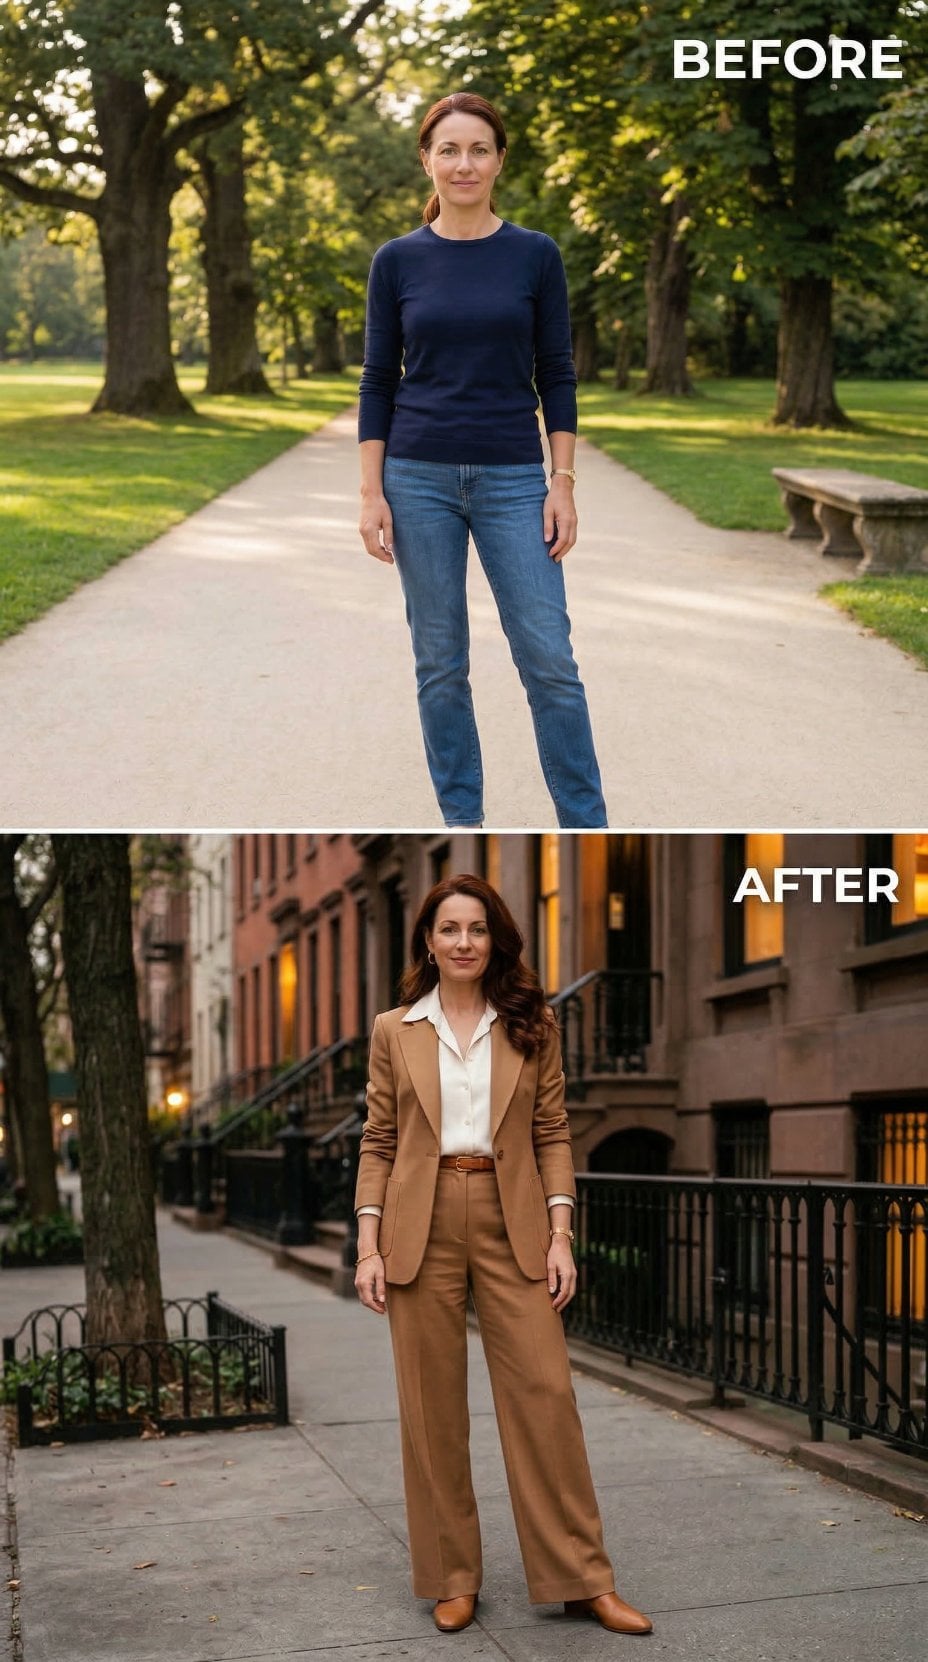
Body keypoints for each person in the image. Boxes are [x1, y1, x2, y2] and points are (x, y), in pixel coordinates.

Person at [353, 874, 652, 1636]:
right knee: (432, 1411)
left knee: (548, 1400)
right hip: (417, 1223)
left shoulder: (529, 1023)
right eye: (449, 928)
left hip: (510, 1214)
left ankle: (583, 1578)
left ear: (495, 941)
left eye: (477, 929)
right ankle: (453, 1575)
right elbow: (379, 1141)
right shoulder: (396, 1029)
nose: (463, 942)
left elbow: (552, 1132)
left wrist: (561, 1235)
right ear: (428, 940)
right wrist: (367, 1247)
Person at [357, 92, 607, 831]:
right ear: (427, 161)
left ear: (499, 161)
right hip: (417, 475)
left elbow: (556, 372)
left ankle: (586, 824)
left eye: (478, 150)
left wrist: (561, 482)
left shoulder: (535, 254)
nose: (463, 163)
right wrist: (371, 493)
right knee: (440, 667)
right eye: (449, 150)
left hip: (510, 478)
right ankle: (463, 823)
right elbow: (377, 380)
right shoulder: (397, 261)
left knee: (549, 660)